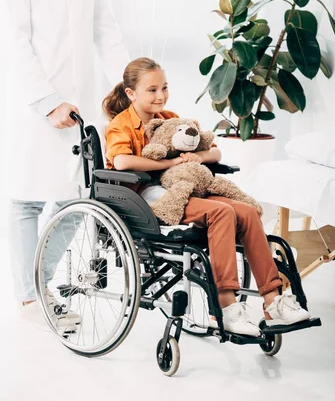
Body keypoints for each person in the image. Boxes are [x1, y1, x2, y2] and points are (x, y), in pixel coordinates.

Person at [0, 0, 129, 328]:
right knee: (27, 200)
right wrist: (47, 99)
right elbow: (16, 43)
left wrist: (127, 84)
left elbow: (106, 29)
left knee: (78, 194)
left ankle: (39, 282)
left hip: (81, 102)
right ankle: (30, 298)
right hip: (38, 105)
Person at [103, 57, 311, 336]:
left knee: (246, 212)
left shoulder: (170, 118)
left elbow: (215, 152)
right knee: (222, 213)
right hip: (147, 198)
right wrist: (169, 164)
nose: (160, 95)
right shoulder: (121, 125)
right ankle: (225, 307)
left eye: (164, 88)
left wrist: (193, 156)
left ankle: (274, 301)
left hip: (184, 186)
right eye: (152, 90)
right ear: (131, 93)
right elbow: (122, 163)